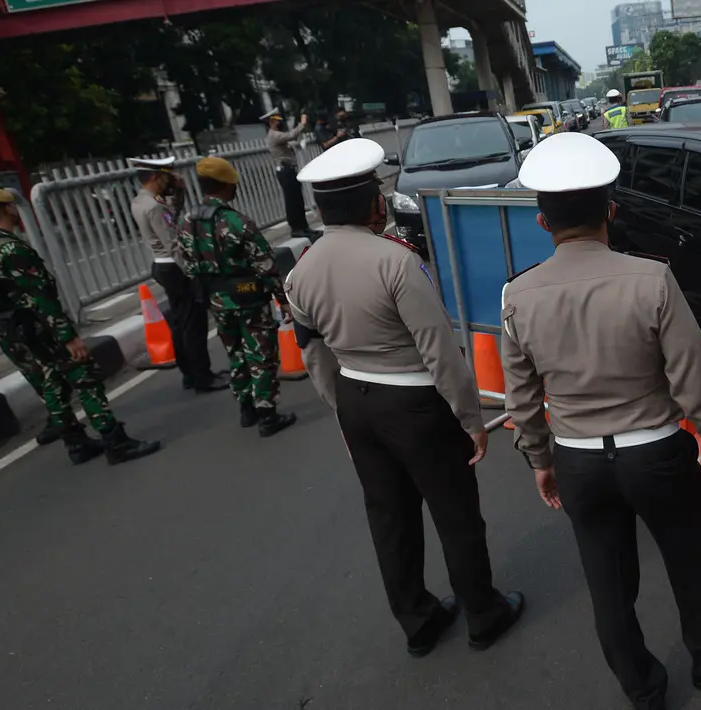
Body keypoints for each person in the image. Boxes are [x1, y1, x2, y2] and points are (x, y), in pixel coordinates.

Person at [500, 132, 701, 710]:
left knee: (608, 583)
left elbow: (522, 395)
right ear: (611, 211)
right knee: (690, 558)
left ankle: (643, 688)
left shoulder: (518, 296)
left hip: (578, 460)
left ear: (542, 222)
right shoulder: (652, 279)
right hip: (656, 453)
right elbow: (694, 379)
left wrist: (540, 462)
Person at [285, 138, 524, 657]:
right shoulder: (395, 261)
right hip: (415, 404)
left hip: (355, 399)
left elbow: (313, 354)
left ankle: (418, 620)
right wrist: (470, 418)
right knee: (455, 512)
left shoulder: (300, 271)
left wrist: (341, 411)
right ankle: (483, 614)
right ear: (372, 202)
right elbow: (439, 350)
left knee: (389, 517)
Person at [0, 188, 161, 464]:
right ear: (5, 209)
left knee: (53, 383)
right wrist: (68, 337)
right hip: (41, 328)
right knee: (84, 378)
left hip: (14, 332)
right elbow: (41, 299)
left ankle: (76, 443)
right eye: (12, 205)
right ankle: (115, 442)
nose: (15, 209)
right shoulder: (11, 250)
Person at [177, 157, 297, 438]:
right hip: (248, 298)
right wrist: (283, 300)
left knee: (235, 353)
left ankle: (246, 409)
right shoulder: (236, 222)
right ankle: (267, 414)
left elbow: (187, 262)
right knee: (261, 354)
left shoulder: (187, 222)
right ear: (226, 186)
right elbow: (266, 265)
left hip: (216, 301)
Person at [128, 157, 229, 394]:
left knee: (180, 323)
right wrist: (194, 273)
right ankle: (203, 377)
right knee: (194, 325)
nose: (170, 179)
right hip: (175, 268)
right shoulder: (155, 206)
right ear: (155, 177)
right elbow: (173, 243)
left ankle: (190, 375)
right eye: (166, 176)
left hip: (162, 266)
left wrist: (179, 192)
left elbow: (172, 216)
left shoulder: (140, 201)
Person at [262, 107, 320, 240]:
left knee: (298, 200)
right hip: (285, 171)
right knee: (292, 201)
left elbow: (291, 141)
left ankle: (304, 227)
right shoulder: (273, 135)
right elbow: (291, 135)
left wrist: (298, 143)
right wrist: (303, 123)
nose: (279, 123)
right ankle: (296, 228)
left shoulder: (278, 135)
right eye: (276, 121)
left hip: (290, 170)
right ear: (271, 122)